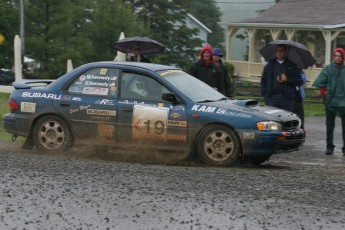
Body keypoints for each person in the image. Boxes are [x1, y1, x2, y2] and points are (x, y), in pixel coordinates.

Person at [312, 47, 345, 155]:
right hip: (331, 101)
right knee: (330, 126)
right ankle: (329, 146)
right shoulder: (329, 68)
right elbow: (322, 81)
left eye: (340, 56)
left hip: (343, 101)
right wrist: (324, 94)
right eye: (336, 56)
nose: (338, 58)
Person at [260, 44, 303, 113]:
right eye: (277, 51)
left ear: (285, 52)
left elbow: (299, 81)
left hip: (287, 99)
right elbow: (264, 80)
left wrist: (287, 79)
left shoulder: (292, 66)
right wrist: (264, 94)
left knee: (285, 120)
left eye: (281, 51)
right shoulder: (270, 65)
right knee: (272, 120)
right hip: (272, 98)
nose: (279, 53)